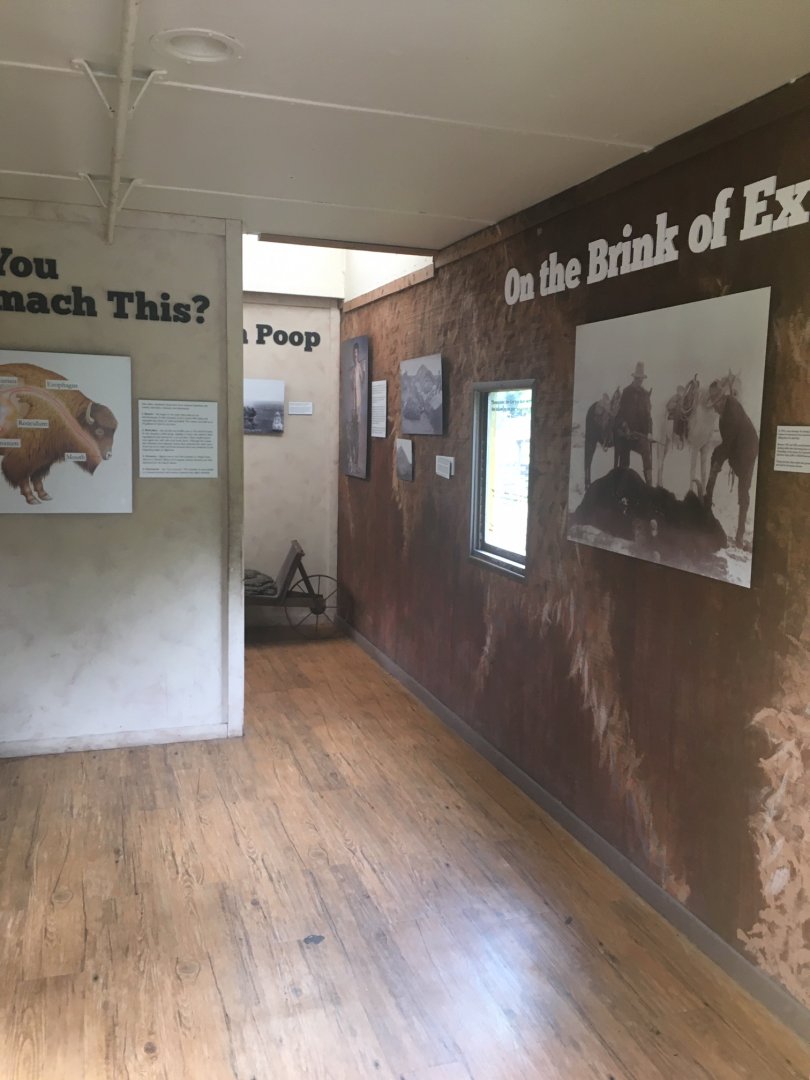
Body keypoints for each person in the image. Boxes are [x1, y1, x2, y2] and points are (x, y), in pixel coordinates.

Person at [704, 379, 758, 548]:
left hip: (748, 450)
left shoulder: (732, 410)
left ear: (722, 399)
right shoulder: (723, 413)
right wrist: (716, 462)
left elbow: (727, 445)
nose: (714, 408)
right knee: (715, 457)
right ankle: (707, 502)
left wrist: (717, 463)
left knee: (743, 491)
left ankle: (740, 535)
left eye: (715, 404)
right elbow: (727, 445)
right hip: (735, 447)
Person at [613, 361, 653, 485]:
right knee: (624, 463)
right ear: (634, 378)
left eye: (641, 379)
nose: (639, 381)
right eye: (637, 379)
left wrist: (650, 432)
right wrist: (624, 426)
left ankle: (649, 485)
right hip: (626, 436)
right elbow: (619, 415)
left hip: (639, 436)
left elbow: (648, 417)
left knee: (647, 452)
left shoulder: (645, 394)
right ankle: (622, 485)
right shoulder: (626, 392)